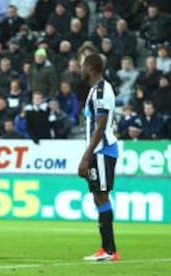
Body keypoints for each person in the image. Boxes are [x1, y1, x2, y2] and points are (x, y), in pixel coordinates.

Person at [78, 53, 120, 262]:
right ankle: (106, 249)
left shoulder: (102, 90)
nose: (80, 69)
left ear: (90, 68)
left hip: (102, 150)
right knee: (98, 196)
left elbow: (101, 125)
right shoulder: (95, 90)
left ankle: (110, 251)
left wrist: (86, 156)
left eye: (82, 65)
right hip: (98, 151)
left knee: (101, 195)